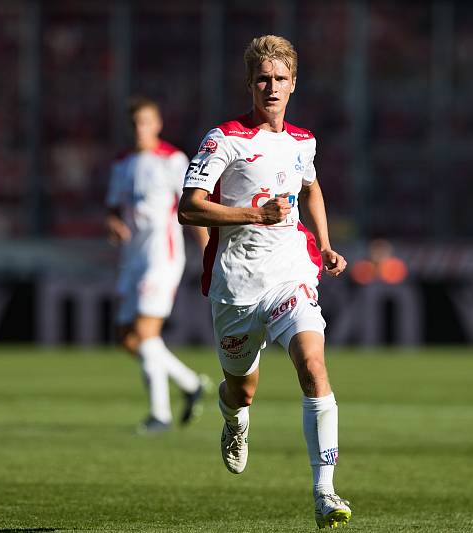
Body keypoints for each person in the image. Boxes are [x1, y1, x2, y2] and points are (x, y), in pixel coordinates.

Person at [177, 35, 352, 529]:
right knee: (242, 390)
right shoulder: (224, 139)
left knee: (313, 366)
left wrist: (325, 242)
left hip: (290, 275)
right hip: (235, 286)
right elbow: (188, 207)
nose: (271, 87)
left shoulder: (303, 142)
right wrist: (251, 214)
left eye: (280, 79)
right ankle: (233, 418)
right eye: (262, 79)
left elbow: (311, 187)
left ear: (293, 84)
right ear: (250, 84)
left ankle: (325, 491)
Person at [106, 96, 210, 433]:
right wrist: (113, 224)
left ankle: (159, 415)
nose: (140, 128)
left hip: (161, 256)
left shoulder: (173, 160)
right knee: (127, 338)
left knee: (146, 333)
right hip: (132, 258)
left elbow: (192, 207)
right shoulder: (122, 163)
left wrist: (207, 248)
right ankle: (191, 384)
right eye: (135, 123)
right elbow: (112, 208)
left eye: (146, 122)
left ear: (158, 124)